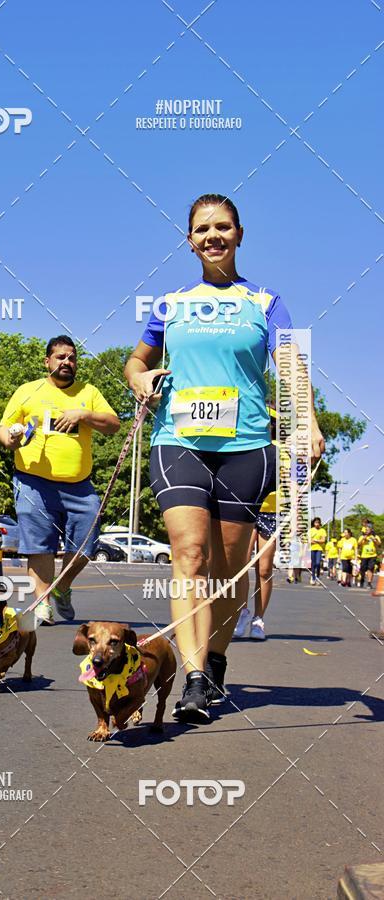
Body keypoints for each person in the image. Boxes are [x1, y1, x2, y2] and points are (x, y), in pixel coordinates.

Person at [125, 193, 325, 721]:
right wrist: (140, 377)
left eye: (222, 227)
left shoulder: (265, 302)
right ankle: (192, 675)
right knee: (189, 555)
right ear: (189, 241)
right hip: (178, 442)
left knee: (230, 569)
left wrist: (307, 420)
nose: (212, 236)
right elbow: (137, 360)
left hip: (246, 447)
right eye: (202, 229)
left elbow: (291, 365)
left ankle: (215, 659)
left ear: (239, 234)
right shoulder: (170, 302)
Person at [0, 335, 120, 624]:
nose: (67, 362)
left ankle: (62, 586)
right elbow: (4, 429)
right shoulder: (28, 391)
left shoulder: (88, 392)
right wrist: (12, 441)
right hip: (33, 481)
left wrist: (84, 414)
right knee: (39, 545)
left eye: (72, 357)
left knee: (86, 542)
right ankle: (43, 602)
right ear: (47, 361)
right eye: (61, 357)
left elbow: (113, 425)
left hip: (79, 485)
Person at [234, 408, 280, 641]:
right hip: (247, 507)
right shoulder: (246, 443)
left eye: (272, 421)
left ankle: (258, 619)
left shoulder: (284, 450)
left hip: (273, 512)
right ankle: (241, 614)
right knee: (240, 565)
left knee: (264, 568)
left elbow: (296, 482)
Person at [358, 524, 381, 589]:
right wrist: (363, 538)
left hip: (372, 555)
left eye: (368, 529)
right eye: (366, 530)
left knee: (370, 568)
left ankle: (369, 582)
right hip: (364, 555)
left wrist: (374, 540)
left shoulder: (375, 536)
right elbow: (359, 544)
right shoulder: (362, 536)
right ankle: (362, 579)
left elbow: (379, 544)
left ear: (371, 530)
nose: (366, 531)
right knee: (362, 569)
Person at [309, 517, 326, 585]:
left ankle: (318, 576)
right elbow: (309, 540)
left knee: (318, 563)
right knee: (313, 564)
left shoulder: (322, 530)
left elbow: (323, 540)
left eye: (318, 522)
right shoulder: (311, 530)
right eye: (315, 522)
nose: (317, 524)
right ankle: (313, 578)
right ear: (313, 523)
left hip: (319, 549)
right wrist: (314, 541)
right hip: (312, 548)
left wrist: (316, 540)